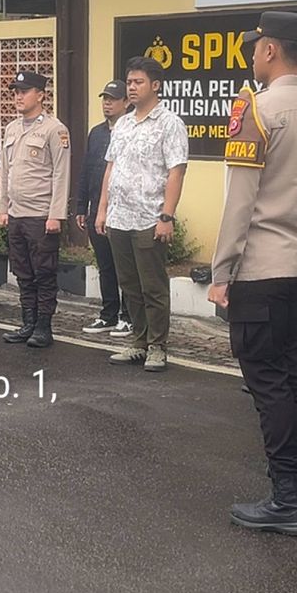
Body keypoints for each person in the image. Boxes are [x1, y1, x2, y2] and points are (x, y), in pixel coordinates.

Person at [207, 11, 297, 536]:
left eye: (256, 46)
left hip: (261, 268)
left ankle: (287, 499)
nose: (253, 54)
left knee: (268, 386)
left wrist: (222, 270)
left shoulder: (256, 110)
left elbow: (240, 201)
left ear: (269, 50)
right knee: (295, 377)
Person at [95, 55, 188, 373]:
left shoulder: (170, 123)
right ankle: (138, 341)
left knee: (153, 286)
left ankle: (158, 346)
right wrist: (102, 209)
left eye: (138, 82)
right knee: (130, 285)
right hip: (119, 217)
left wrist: (167, 216)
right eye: (129, 82)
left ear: (156, 85)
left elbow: (176, 172)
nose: (132, 87)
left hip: (150, 218)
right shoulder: (122, 123)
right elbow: (111, 168)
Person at [0, 71, 71, 349]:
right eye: (16, 92)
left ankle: (43, 326)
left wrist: (56, 214)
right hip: (17, 213)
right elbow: (6, 171)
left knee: (44, 273)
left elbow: (61, 174)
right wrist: (3, 207)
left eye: (24, 91)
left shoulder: (55, 129)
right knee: (23, 273)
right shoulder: (12, 128)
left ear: (40, 95)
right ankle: (27, 322)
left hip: (41, 215)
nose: (18, 96)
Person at [76, 80, 131, 337]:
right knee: (105, 266)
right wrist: (81, 205)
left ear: (126, 103)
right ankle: (108, 314)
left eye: (113, 99)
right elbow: (86, 170)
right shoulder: (96, 133)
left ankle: (128, 317)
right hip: (96, 210)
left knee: (125, 268)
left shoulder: (131, 130)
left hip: (122, 210)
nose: (107, 103)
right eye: (105, 98)